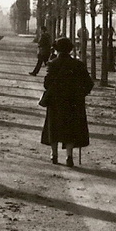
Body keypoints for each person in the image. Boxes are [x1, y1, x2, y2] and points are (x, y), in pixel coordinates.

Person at [40, 37, 93, 167]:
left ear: (57, 49)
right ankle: (69, 157)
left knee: (54, 127)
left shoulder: (52, 64)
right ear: (70, 49)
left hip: (55, 102)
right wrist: (80, 94)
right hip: (73, 102)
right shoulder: (78, 64)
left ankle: (54, 155)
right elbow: (89, 84)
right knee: (70, 128)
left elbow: (46, 84)